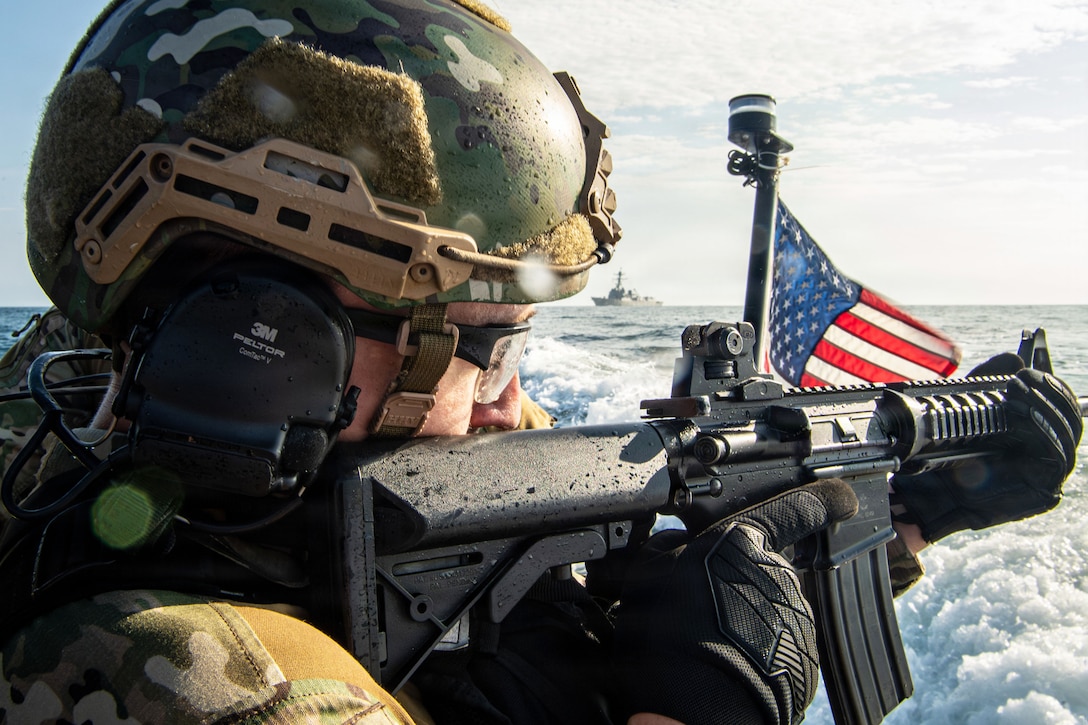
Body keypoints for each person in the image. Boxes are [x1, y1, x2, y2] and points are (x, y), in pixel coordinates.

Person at [0, 1, 1081, 724]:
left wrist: (894, 523)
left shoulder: (150, 488)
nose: (513, 395)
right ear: (273, 344)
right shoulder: (186, 670)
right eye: (490, 341)